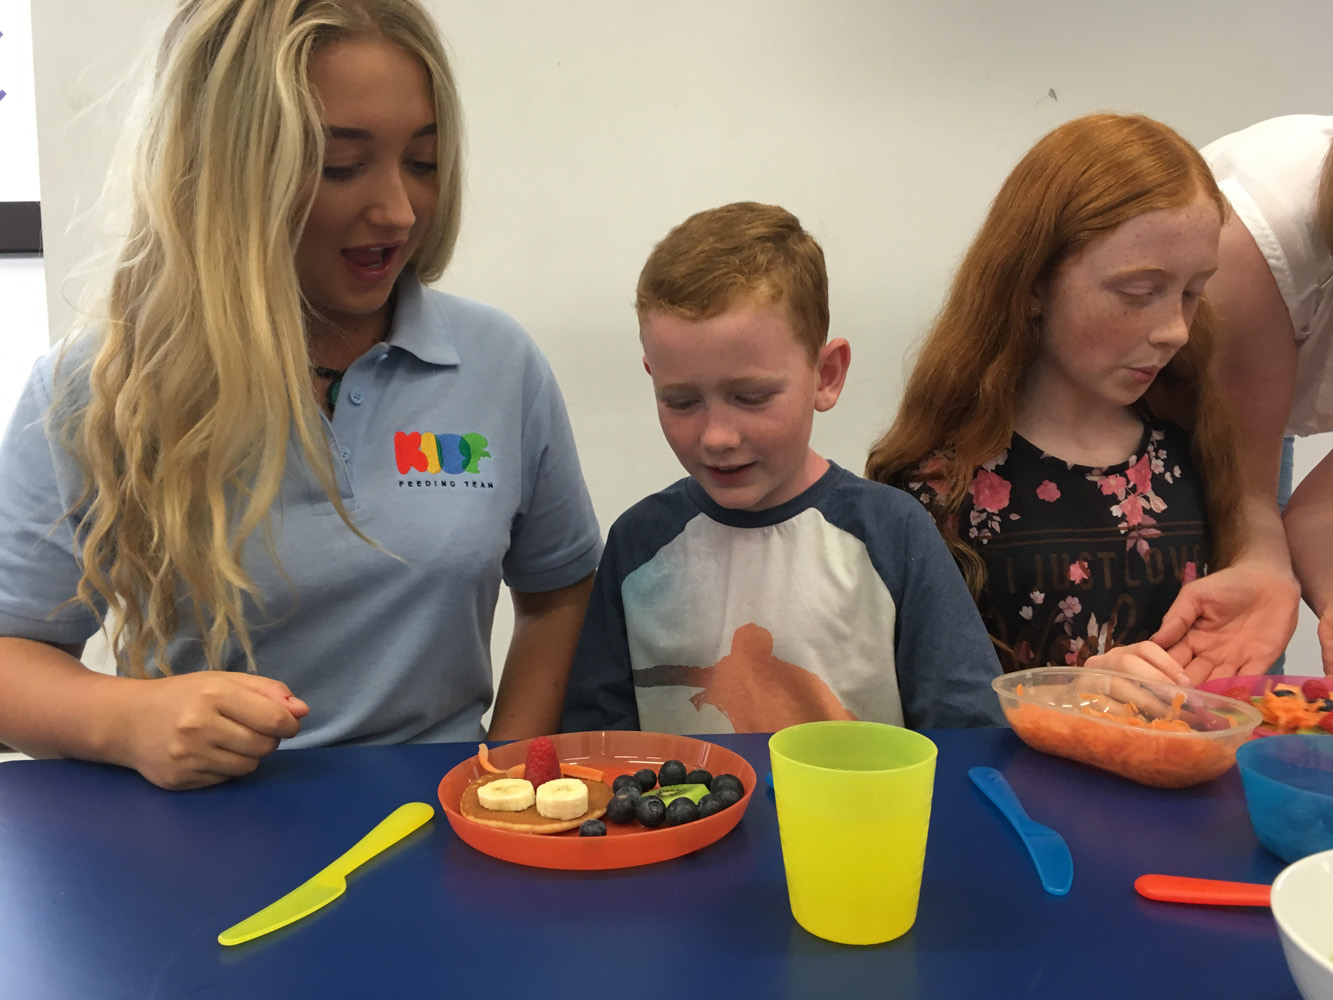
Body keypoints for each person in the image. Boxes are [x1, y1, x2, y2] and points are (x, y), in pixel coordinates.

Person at [0, 0, 601, 789]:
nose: (397, 210)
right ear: (224, 173)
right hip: (199, 837)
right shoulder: (99, 385)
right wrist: (125, 721)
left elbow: (558, 592)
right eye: (340, 165)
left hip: (443, 825)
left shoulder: (500, 361)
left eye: (422, 160)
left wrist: (503, 775)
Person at [560, 202, 1005, 735]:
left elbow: (970, 733)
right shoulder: (638, 543)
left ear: (827, 375)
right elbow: (595, 743)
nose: (717, 437)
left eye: (751, 397)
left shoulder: (892, 533)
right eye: (680, 402)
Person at [866, 113, 1245, 685]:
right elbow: (910, 704)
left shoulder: (1194, 450)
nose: (1177, 330)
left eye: (1193, 293)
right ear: (1034, 282)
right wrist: (1071, 697)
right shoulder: (934, 486)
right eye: (1139, 293)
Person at [1155, 115, 1332, 678]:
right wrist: (1260, 564)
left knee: (1250, 639)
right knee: (1190, 627)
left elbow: (1315, 515)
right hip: (1164, 397)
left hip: (1258, 405)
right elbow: (1247, 492)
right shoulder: (1265, 233)